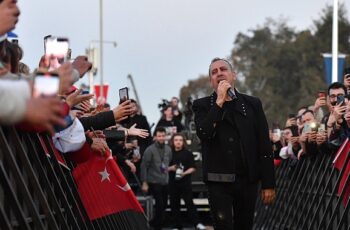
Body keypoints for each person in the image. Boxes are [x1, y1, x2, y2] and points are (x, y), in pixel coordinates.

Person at [192, 57, 275, 230]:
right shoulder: (202, 105)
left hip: (247, 180)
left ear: (233, 75)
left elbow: (264, 145)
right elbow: (204, 133)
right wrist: (219, 102)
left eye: (223, 69)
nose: (219, 73)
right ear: (211, 81)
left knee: (244, 226)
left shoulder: (252, 104)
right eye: (214, 72)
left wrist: (268, 183)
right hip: (218, 181)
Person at [168, 133, 206, 230]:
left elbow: (193, 168)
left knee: (190, 204)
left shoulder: (188, 153)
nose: (178, 142)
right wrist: (170, 168)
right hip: (172, 183)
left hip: (185, 183)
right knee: (174, 204)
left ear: (183, 142)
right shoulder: (168, 153)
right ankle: (177, 226)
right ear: (173, 141)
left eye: (180, 140)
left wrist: (184, 173)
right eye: (176, 140)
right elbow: (162, 168)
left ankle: (197, 223)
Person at [141, 126, 172, 230]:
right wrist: (144, 182)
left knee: (163, 206)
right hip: (154, 181)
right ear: (155, 137)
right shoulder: (150, 150)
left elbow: (169, 163)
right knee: (160, 204)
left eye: (163, 136)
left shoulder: (168, 149)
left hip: (165, 181)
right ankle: (158, 226)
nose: (161, 138)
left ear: (166, 136)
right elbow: (144, 166)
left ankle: (153, 223)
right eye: (159, 136)